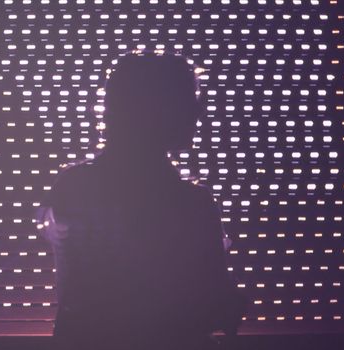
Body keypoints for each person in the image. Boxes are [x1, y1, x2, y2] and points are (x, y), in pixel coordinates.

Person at [37, 52, 245, 350]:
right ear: (165, 112)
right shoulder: (191, 205)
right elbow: (213, 307)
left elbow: (74, 296)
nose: (199, 113)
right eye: (190, 101)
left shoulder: (72, 187)